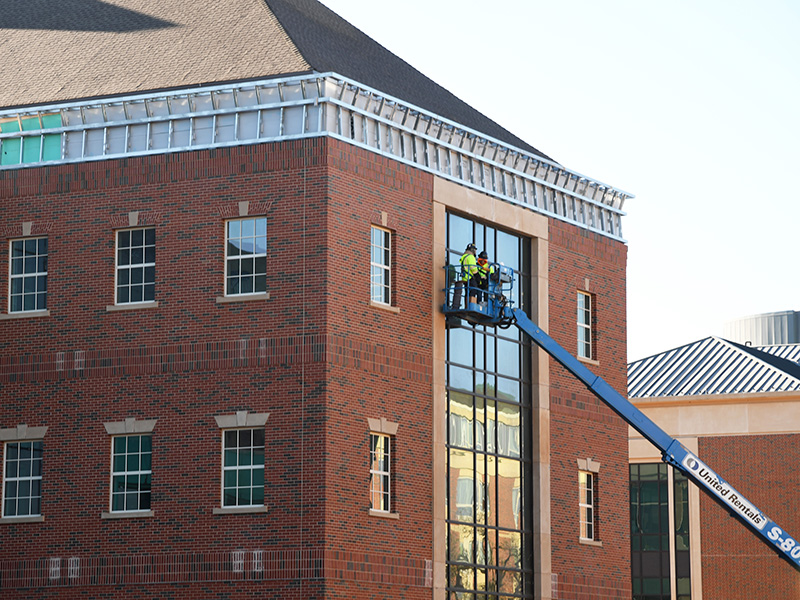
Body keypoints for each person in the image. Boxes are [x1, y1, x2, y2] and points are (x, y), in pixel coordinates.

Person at [451, 243, 477, 308]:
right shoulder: (471, 257)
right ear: (472, 250)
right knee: (474, 290)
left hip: (465, 278)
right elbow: (473, 269)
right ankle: (471, 305)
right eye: (475, 250)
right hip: (470, 277)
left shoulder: (464, 256)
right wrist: (478, 276)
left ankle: (467, 305)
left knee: (467, 292)